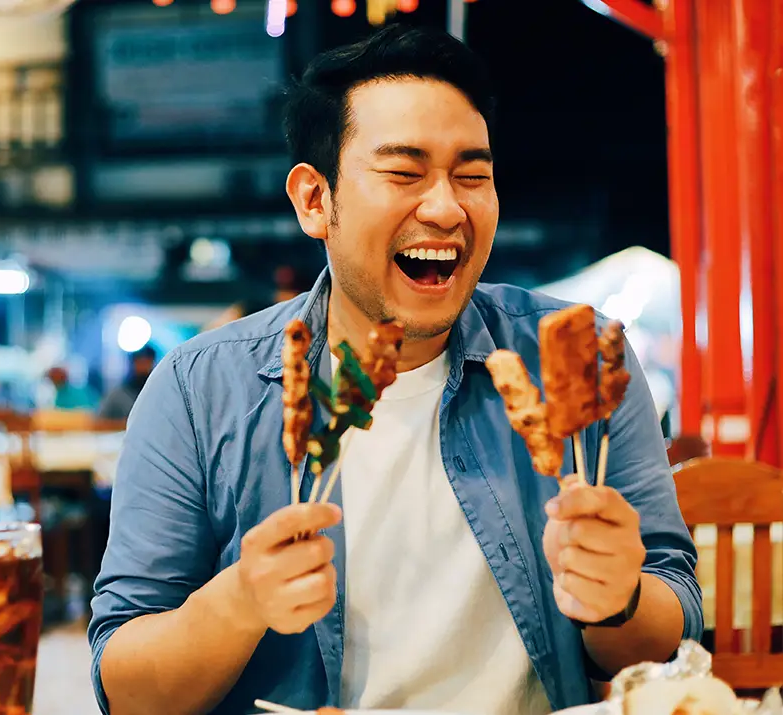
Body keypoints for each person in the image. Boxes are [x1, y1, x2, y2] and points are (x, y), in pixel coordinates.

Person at [89, 24, 701, 715]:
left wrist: (618, 600)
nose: (445, 208)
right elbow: (126, 689)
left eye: (473, 174)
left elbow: (675, 633)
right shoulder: (199, 390)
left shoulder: (579, 356)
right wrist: (239, 599)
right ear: (315, 200)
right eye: (404, 173)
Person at [97, 345, 157, 420]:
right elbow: (99, 421)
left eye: (147, 362)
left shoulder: (157, 394)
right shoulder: (117, 395)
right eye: (140, 362)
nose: (143, 367)